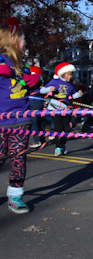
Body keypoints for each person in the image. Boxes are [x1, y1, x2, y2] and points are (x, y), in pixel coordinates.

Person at [0, 18, 41, 214]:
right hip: (1, 120)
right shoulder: (1, 61)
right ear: (13, 39)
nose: (25, 43)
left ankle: (15, 197)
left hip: (21, 119)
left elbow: (29, 83)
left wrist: (34, 80)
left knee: (18, 159)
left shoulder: (20, 65)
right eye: (23, 38)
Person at [43, 62, 81, 156]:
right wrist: (49, 89)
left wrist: (79, 94)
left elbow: (73, 96)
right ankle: (58, 147)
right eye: (68, 74)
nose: (70, 77)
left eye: (71, 75)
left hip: (66, 108)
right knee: (58, 129)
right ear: (63, 74)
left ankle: (62, 145)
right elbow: (42, 90)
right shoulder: (54, 82)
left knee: (66, 129)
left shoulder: (71, 85)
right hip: (55, 108)